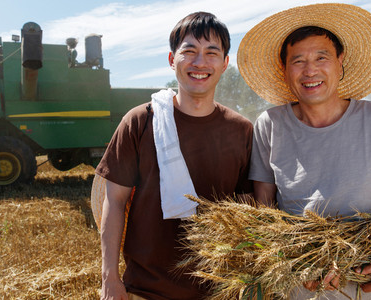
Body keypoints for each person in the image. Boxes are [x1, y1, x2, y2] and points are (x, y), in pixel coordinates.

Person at [237, 3, 371, 300]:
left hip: (365, 285)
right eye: (298, 61)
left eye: (321, 57)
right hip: (295, 287)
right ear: (284, 70)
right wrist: (286, 264)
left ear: (340, 61)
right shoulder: (270, 125)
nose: (310, 70)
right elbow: (265, 210)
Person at [94, 11, 253, 300]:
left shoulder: (242, 131)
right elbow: (114, 202)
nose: (200, 62)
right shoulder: (141, 122)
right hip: (144, 290)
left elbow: (250, 209)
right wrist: (109, 277)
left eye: (211, 53)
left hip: (219, 290)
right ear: (171, 60)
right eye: (189, 51)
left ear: (225, 63)